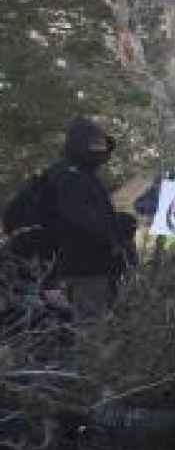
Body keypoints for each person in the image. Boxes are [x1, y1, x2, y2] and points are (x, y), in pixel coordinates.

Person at [11, 117, 137, 318]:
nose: (100, 150)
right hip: (82, 272)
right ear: (80, 145)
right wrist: (118, 227)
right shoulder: (69, 178)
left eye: (101, 145)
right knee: (92, 332)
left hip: (83, 270)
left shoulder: (81, 175)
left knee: (93, 328)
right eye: (94, 145)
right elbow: (83, 223)